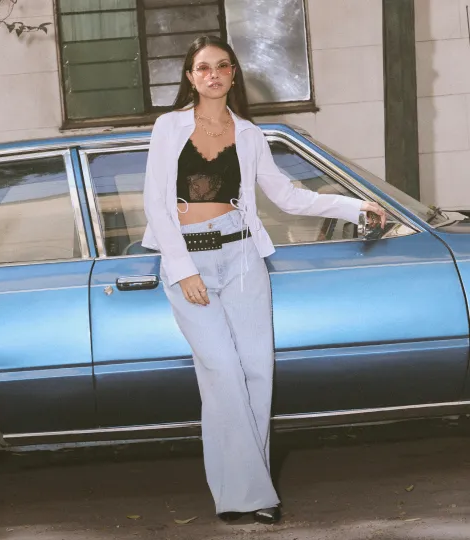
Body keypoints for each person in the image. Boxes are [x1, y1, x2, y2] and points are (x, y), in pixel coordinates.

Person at [142, 35, 386, 524]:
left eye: (222, 66)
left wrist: (354, 205)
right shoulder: (169, 127)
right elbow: (154, 202)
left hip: (242, 258)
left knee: (256, 372)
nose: (213, 74)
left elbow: (289, 197)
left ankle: (240, 494)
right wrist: (183, 269)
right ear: (190, 77)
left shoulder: (250, 135)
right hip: (190, 260)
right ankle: (253, 494)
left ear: (233, 74)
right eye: (203, 67)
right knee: (222, 372)